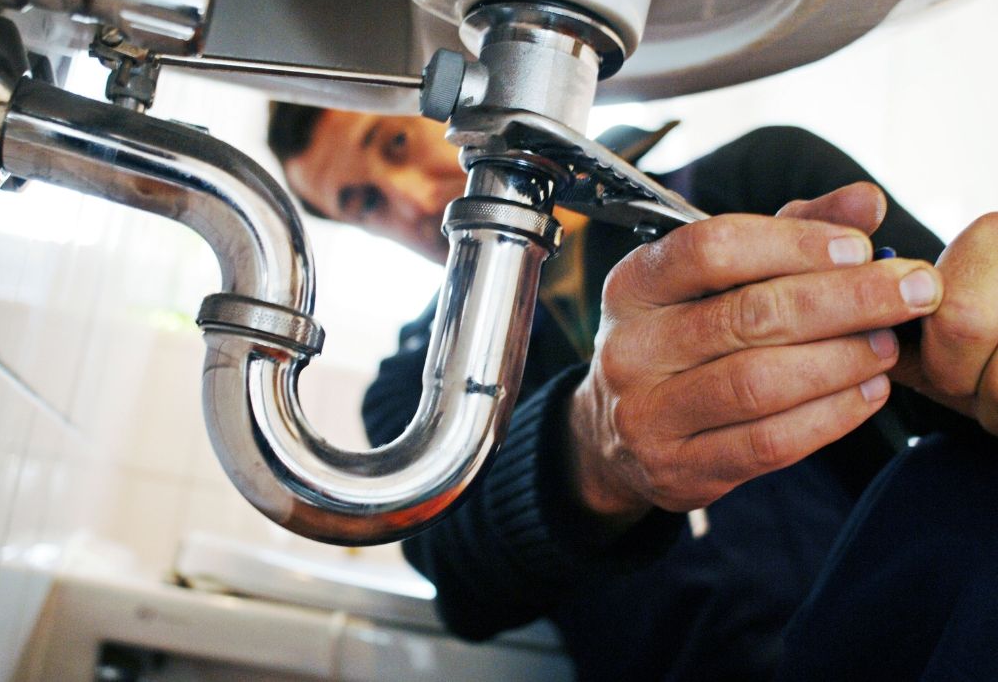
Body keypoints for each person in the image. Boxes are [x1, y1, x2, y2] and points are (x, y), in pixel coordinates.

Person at [268, 103, 998, 680]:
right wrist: (591, 452)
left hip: (910, 641)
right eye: (363, 204)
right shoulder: (416, 383)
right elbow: (462, 575)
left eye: (394, 144)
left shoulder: (761, 184)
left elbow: (965, 366)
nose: (405, 201)